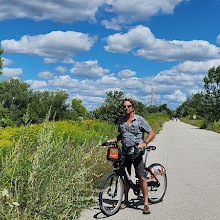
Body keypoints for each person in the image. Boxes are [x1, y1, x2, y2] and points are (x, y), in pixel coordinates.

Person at [108, 98, 155, 214]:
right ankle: (126, 200)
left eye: (129, 106)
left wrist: (144, 143)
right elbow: (122, 135)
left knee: (141, 177)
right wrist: (114, 139)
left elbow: (151, 133)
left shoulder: (139, 120)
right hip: (125, 153)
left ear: (133, 108)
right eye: (124, 106)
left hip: (136, 153)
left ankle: (146, 204)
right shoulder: (121, 120)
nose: (126, 108)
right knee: (126, 178)